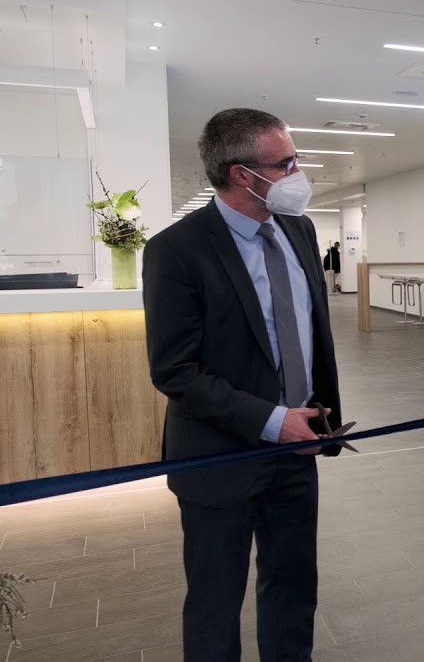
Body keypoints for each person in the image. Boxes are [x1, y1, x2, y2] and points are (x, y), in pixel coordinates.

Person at [143, 108, 344, 662]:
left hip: (298, 447)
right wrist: (270, 420)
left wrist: (311, 422)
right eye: (286, 164)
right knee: (214, 602)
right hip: (217, 458)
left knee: (293, 588)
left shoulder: (300, 230)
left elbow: (312, 335)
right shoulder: (176, 250)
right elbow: (174, 369)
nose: (298, 173)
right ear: (241, 175)